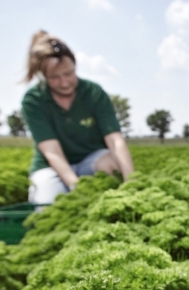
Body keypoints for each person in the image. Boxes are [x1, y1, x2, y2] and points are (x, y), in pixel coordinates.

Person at [21, 31, 134, 204]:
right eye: (55, 77)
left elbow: (115, 140)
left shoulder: (93, 93)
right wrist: (76, 187)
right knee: (48, 204)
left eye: (68, 74)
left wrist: (132, 182)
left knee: (113, 167)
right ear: (43, 75)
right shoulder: (34, 100)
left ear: (75, 66)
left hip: (90, 160)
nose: (64, 82)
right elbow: (53, 152)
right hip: (51, 167)